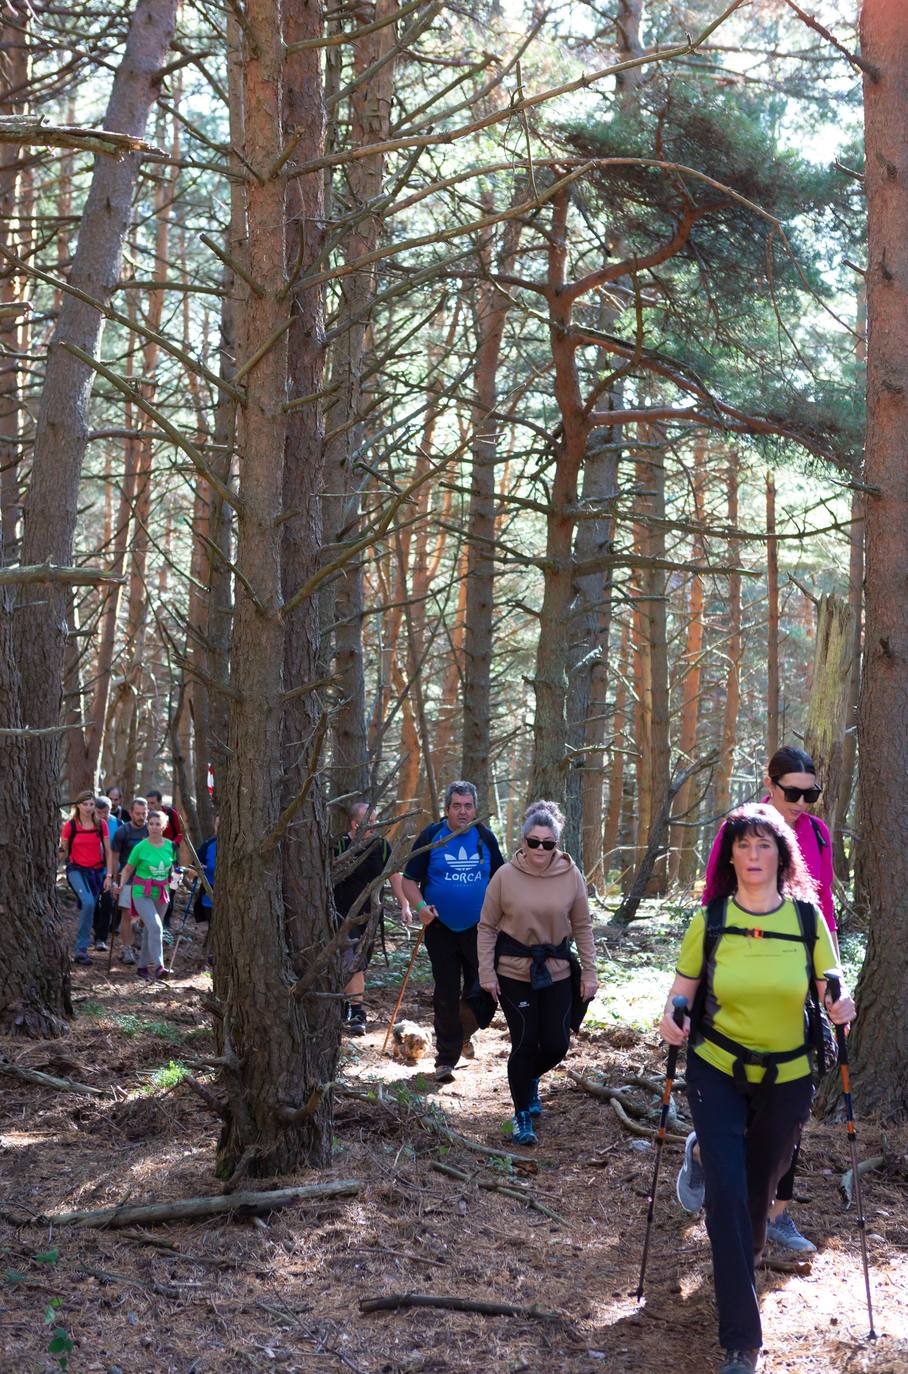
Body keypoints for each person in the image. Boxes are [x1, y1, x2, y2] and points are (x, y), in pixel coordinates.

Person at [659, 803, 854, 1374]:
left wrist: (843, 1007)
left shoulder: (805, 920)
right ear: (730, 855)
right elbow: (679, 995)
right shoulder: (712, 920)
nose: (752, 855)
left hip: (789, 1076)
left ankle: (735, 1258)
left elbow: (831, 992)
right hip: (716, 1070)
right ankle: (741, 1341)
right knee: (726, 1197)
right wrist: (672, 1019)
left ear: (781, 855)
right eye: (742, 845)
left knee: (756, 1198)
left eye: (763, 845)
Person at [679, 745, 837, 1253]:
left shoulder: (816, 835)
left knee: (788, 1107)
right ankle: (705, 1152)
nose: (803, 801)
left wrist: (830, 979)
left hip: (804, 970)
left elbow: (824, 902)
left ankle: (777, 1214)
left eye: (811, 793)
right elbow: (714, 900)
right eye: (793, 792)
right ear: (770, 787)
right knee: (740, 1097)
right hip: (735, 968)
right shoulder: (745, 833)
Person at [477, 801, 598, 1146]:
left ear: (556, 844)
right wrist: (487, 973)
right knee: (525, 1042)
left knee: (557, 1044)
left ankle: (527, 1081)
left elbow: (583, 926)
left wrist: (589, 973)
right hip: (513, 971)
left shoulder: (571, 875)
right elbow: (486, 927)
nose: (540, 849)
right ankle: (521, 1115)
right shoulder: (505, 876)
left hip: (558, 969)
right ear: (523, 841)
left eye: (548, 843)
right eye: (534, 842)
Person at [402, 781, 505, 1082]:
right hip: (440, 926)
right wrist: (420, 906)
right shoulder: (432, 836)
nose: (463, 811)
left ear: (475, 808)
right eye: (457, 806)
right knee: (446, 991)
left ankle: (462, 1032)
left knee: (484, 989)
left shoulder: (485, 837)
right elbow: (409, 880)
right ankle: (445, 1060)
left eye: (468, 806)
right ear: (446, 809)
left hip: (480, 928)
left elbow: (502, 880)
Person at [333, 802, 412, 1036]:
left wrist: (405, 904)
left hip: (370, 916)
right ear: (356, 823)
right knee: (353, 960)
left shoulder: (381, 846)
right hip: (342, 915)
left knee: (360, 963)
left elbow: (394, 875)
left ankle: (347, 1005)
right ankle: (357, 1012)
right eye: (373, 821)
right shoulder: (339, 845)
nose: (377, 826)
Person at [115, 809, 175, 980]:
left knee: (151, 930)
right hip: (141, 891)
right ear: (148, 826)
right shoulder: (140, 847)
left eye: (158, 824)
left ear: (164, 826)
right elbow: (127, 869)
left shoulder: (170, 846)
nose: (154, 827)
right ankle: (159, 967)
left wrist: (179, 875)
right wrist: (120, 885)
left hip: (161, 892)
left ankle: (142, 968)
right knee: (156, 926)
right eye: (151, 824)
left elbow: (173, 869)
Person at [60, 790, 114, 964]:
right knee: (89, 903)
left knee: (90, 905)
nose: (89, 808)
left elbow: (108, 851)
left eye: (91, 804)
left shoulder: (101, 825)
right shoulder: (70, 826)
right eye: (85, 804)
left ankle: (89, 941)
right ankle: (80, 951)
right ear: (78, 805)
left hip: (97, 872)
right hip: (76, 870)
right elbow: (63, 851)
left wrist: (109, 875)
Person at [110, 797, 149, 965]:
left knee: (143, 914)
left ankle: (138, 930)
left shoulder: (152, 830)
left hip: (148, 880)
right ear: (131, 813)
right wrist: (112, 879)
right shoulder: (123, 832)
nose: (141, 817)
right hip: (127, 879)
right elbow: (114, 858)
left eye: (144, 813)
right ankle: (126, 949)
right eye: (138, 813)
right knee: (126, 914)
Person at [92, 797, 119, 951]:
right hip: (92, 869)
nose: (103, 815)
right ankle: (96, 927)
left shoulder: (117, 824)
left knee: (108, 902)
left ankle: (101, 938)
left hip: (110, 870)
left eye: (106, 812)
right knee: (93, 903)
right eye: (99, 812)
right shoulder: (89, 823)